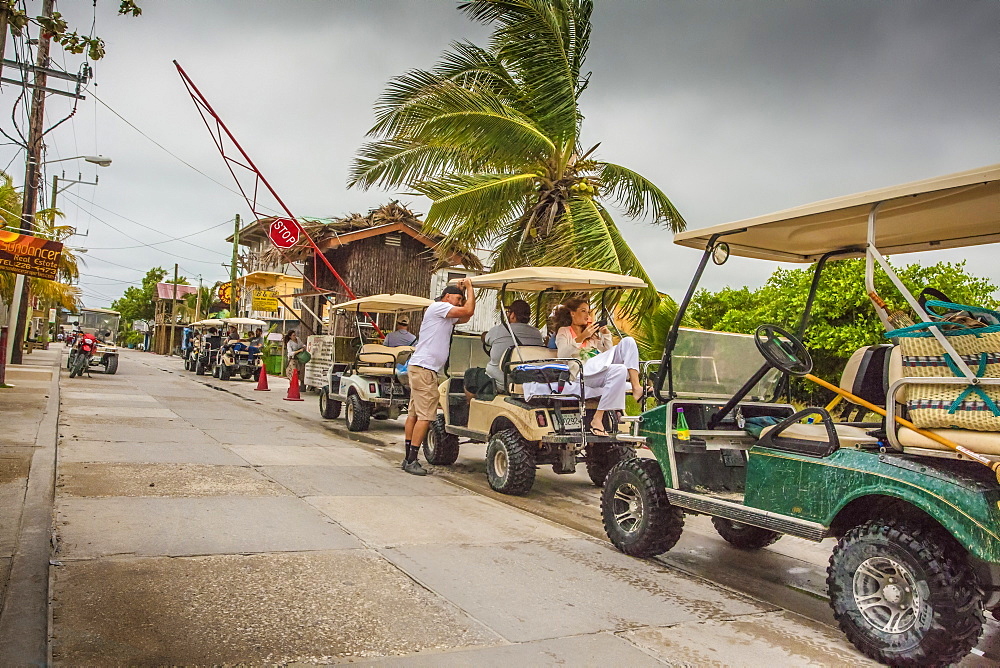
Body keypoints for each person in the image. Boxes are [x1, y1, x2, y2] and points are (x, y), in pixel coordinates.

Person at [402, 278, 476, 475]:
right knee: (426, 416)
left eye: (462, 299)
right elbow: (468, 311)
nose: (460, 302)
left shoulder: (445, 313)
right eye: (458, 298)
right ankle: (411, 460)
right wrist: (469, 288)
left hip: (423, 367)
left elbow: (466, 317)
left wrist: (465, 293)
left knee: (415, 413)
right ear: (447, 296)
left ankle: (408, 456)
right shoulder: (438, 307)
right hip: (424, 368)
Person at [553, 297, 642, 436]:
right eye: (583, 311)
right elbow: (562, 354)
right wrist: (582, 337)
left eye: (588, 312)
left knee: (628, 344)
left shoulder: (592, 335)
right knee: (619, 369)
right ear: (572, 313)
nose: (587, 316)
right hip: (582, 373)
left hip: (598, 368)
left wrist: (605, 335)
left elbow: (607, 353)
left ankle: (636, 387)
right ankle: (599, 417)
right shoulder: (564, 331)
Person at [465, 299, 545, 398]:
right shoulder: (536, 333)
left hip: (499, 381)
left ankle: (470, 407)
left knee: (470, 374)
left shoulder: (499, 330)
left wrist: (486, 335)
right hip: (526, 380)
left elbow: (485, 338)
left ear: (512, 315)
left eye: (509, 312)